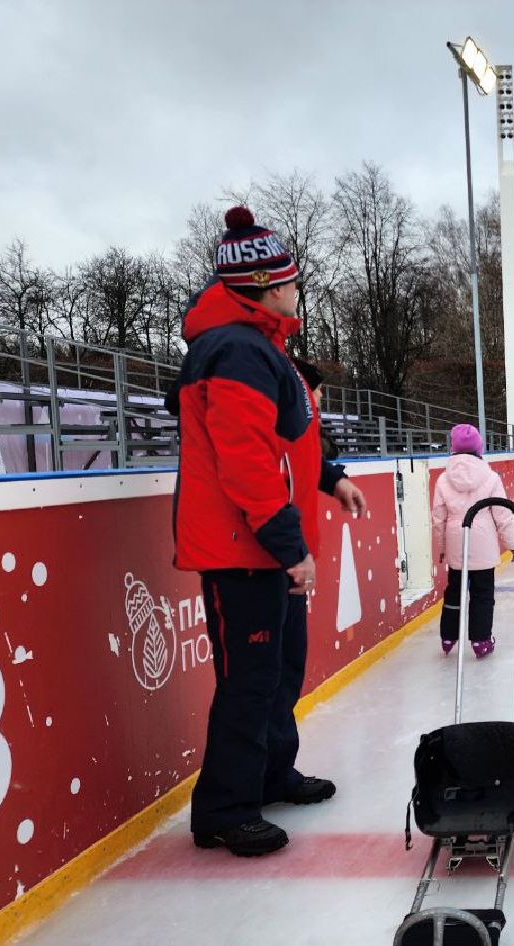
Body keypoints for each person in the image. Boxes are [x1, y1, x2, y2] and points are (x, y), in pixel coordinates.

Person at [174, 206, 368, 857]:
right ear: (261, 288)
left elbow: (292, 442)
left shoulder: (265, 349)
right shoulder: (232, 349)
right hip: (244, 550)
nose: (297, 288)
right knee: (249, 680)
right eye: (289, 281)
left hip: (270, 547)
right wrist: (291, 551)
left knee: (280, 672)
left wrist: (331, 477)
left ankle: (271, 773)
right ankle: (224, 809)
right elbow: (248, 465)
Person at [431, 423, 514, 659]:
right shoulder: (490, 477)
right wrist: (513, 543)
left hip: (456, 542)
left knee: (454, 592)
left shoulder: (443, 479)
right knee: (482, 594)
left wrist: (441, 548)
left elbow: (438, 518)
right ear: (479, 448)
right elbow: (502, 513)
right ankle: (481, 640)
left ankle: (448, 637)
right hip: (482, 544)